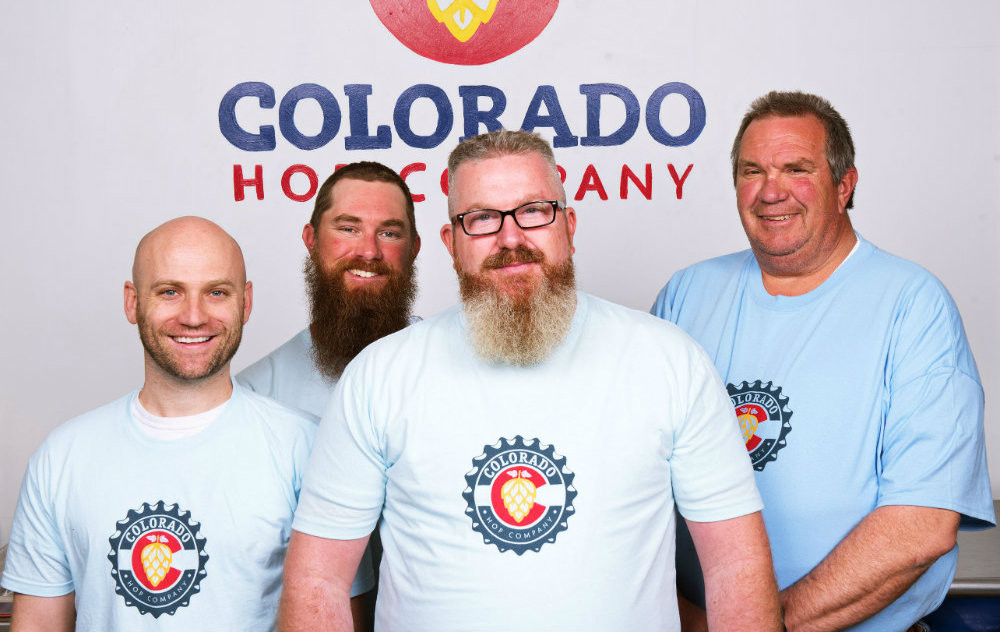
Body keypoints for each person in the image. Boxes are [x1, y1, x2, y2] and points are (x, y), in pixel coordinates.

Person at [278, 130, 782, 632]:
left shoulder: (669, 361)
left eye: (535, 211)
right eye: (482, 218)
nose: (511, 238)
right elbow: (318, 581)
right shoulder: (379, 375)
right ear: (451, 244)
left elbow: (735, 567)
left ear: (569, 226)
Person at [651, 91, 995, 632]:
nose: (771, 191)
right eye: (752, 171)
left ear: (844, 185)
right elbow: (632, 484)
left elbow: (922, 525)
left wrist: (758, 625)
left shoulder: (912, 304)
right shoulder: (686, 294)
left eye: (796, 169)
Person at [1, 217, 316, 631]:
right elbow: (38, 625)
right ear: (132, 302)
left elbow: (338, 614)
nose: (193, 316)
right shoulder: (61, 458)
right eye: (170, 291)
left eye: (217, 292)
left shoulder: (306, 448)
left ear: (246, 302)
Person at [237, 162, 421, 625]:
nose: (369, 250)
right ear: (311, 238)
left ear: (414, 248)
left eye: (390, 233)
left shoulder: (451, 369)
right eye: (348, 228)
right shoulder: (257, 394)